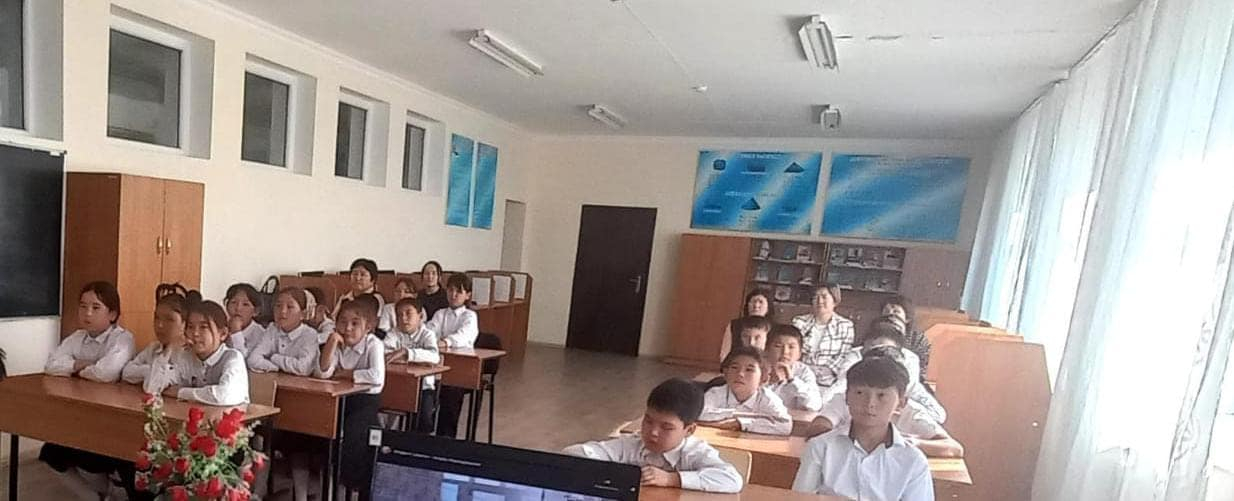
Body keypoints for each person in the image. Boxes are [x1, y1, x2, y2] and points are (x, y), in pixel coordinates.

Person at [40, 281, 137, 499]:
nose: (87, 313)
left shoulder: (122, 338)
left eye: (95, 307)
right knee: (50, 452)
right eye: (83, 306)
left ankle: (112, 491)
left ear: (112, 314)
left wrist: (74, 368)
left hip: (113, 423)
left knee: (96, 457)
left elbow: (106, 373)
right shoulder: (77, 337)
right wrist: (79, 364)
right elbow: (51, 366)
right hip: (82, 416)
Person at [563, 378, 743, 493]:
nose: (653, 432)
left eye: (666, 427)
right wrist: (618, 473)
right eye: (648, 421)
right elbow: (572, 454)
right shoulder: (633, 445)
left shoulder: (695, 452)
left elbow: (732, 480)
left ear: (689, 430)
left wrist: (671, 479)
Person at [791, 357, 935, 500]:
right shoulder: (821, 447)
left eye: (881, 395)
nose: (870, 403)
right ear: (846, 397)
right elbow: (800, 498)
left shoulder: (913, 461)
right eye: (860, 393)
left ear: (901, 403)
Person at [806, 346, 963, 458]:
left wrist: (909, 443)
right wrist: (852, 441)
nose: (870, 403)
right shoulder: (847, 398)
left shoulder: (911, 410)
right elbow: (817, 428)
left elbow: (953, 448)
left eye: (882, 394)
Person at [823, 319, 946, 423]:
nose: (879, 360)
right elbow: (827, 402)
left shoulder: (909, 387)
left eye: (886, 352)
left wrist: (896, 406)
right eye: (873, 353)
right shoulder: (853, 386)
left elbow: (939, 415)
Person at [145, 297, 250, 406]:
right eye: (190, 327)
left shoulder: (233, 358)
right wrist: (169, 349)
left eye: (203, 327)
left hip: (231, 416)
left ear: (223, 334)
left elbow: (224, 395)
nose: (195, 333)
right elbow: (152, 388)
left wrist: (180, 392)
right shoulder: (185, 357)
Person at [697, 346, 792, 436]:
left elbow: (785, 425)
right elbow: (699, 414)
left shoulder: (768, 398)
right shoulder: (716, 393)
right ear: (725, 373)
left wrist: (740, 424)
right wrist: (736, 414)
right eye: (734, 367)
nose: (740, 374)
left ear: (763, 378)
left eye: (749, 370)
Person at [429, 273, 478, 437]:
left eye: (459, 291)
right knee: (422, 390)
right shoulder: (440, 313)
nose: (454, 295)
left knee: (451, 393)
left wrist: (444, 342)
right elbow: (429, 331)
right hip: (437, 366)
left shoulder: (470, 316)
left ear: (467, 295)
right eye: (450, 290)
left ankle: (445, 439)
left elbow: (462, 337)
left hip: (459, 370)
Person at [383, 297, 440, 433]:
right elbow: (385, 354)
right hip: (397, 386)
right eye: (399, 315)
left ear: (420, 316)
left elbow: (434, 357)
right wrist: (413, 359)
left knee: (423, 417)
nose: (404, 318)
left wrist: (407, 353)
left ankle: (419, 441)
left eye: (408, 313)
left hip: (423, 388)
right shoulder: (393, 333)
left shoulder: (427, 334)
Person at [791, 283, 855, 387]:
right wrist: (806, 371)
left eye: (824, 297)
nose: (819, 301)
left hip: (828, 379)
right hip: (800, 375)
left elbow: (844, 355)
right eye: (815, 297)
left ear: (835, 301)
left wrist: (826, 370)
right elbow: (793, 350)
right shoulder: (799, 322)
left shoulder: (845, 325)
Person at [246, 287, 321, 376]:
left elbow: (304, 368)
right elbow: (252, 360)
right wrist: (276, 368)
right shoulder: (272, 328)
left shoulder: (309, 335)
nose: (282, 311)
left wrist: (274, 357)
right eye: (278, 306)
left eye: (290, 307)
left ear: (302, 314)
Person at [121, 287, 188, 384]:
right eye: (157, 318)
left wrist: (150, 373)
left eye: (169, 319)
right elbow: (127, 372)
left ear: (184, 323)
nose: (160, 325)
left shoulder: (189, 355)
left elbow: (156, 383)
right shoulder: (153, 348)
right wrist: (152, 370)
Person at [764, 324, 823, 411]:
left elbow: (815, 405)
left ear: (799, 353)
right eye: (778, 346)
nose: (785, 352)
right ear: (766, 350)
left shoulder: (803, 371)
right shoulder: (757, 368)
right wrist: (769, 382)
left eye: (791, 347)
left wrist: (792, 380)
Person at [881, 294, 931, 380]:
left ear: (907, 318)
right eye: (886, 311)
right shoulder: (873, 334)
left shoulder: (917, 339)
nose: (890, 314)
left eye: (896, 312)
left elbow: (921, 368)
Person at [718, 289, 772, 360]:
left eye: (761, 302)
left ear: (768, 307)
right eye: (753, 302)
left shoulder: (774, 328)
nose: (756, 305)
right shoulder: (734, 325)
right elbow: (724, 353)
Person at [224, 282, 265, 357]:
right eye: (233, 302)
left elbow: (244, 360)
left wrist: (236, 332)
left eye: (245, 304)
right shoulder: (222, 327)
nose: (238, 308)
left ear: (256, 311)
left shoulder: (260, 334)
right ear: (227, 307)